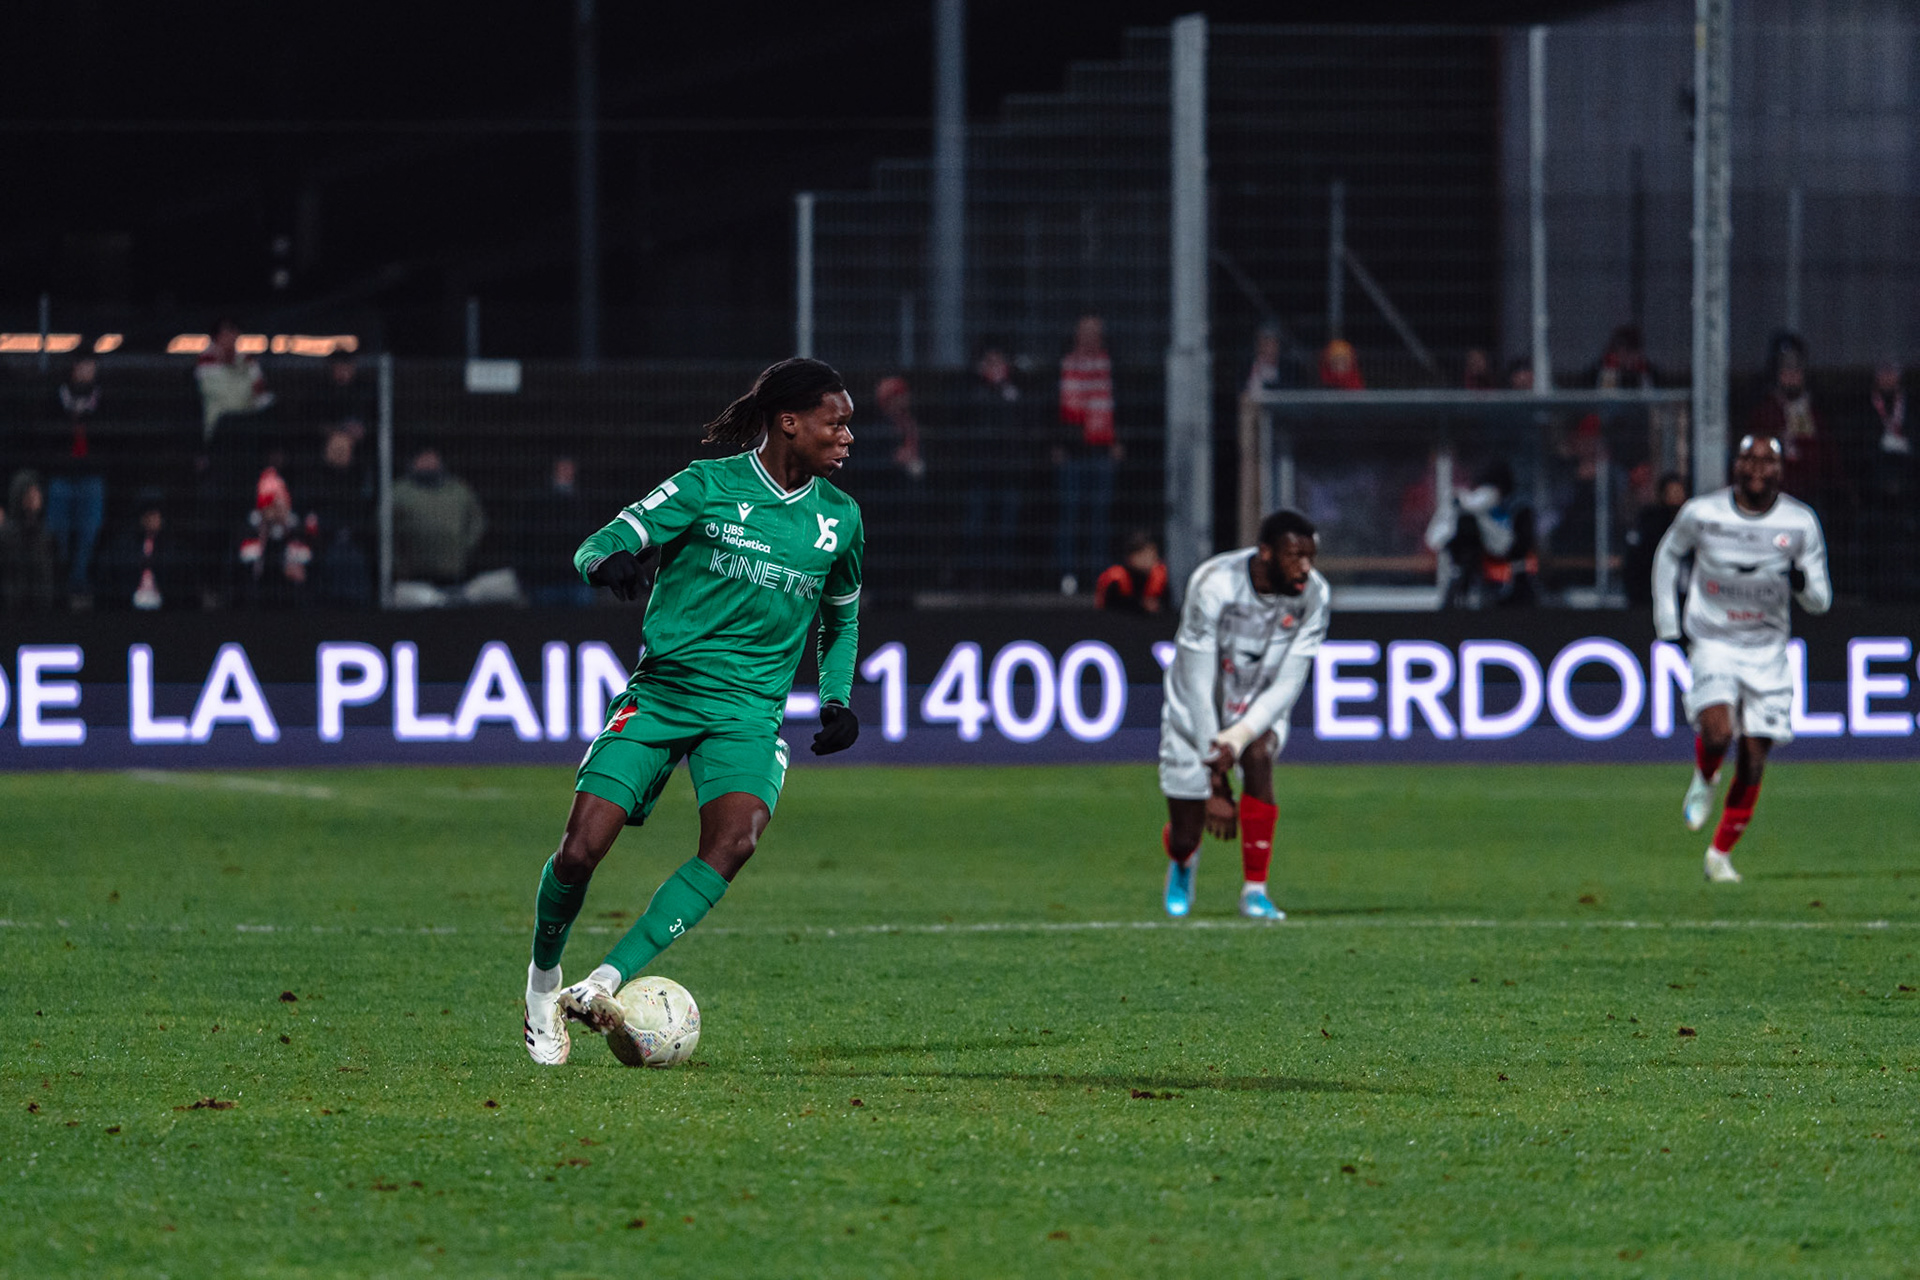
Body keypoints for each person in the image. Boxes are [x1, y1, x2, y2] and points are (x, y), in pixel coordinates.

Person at [524, 357, 865, 1066]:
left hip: (747, 713)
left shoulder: (840, 519)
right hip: (664, 695)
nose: (846, 437)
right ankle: (542, 984)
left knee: (735, 839)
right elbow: (603, 540)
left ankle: (601, 984)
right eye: (835, 423)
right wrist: (608, 562)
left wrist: (836, 697)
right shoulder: (707, 486)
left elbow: (840, 617)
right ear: (788, 422)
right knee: (581, 849)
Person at [1653, 435, 1831, 883]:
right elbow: (1668, 554)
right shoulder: (1702, 514)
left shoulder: (1800, 523)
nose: (1756, 468)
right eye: (1749, 459)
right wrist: (1667, 622)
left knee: (1753, 757)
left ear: (1779, 471)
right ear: (1735, 466)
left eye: (1766, 461)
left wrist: (1799, 581)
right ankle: (1705, 777)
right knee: (1718, 732)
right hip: (1713, 640)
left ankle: (1719, 855)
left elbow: (1821, 600)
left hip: (1767, 650)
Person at [1158, 509, 1329, 921]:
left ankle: (1255, 891)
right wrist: (1216, 782)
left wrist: (1238, 737)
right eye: (1294, 557)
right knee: (1186, 831)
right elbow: (1198, 685)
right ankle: (1183, 860)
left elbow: (1289, 683)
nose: (1304, 567)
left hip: (1256, 704)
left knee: (1258, 754)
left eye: (1310, 556)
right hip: (1194, 710)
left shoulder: (1314, 596)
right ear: (1266, 553)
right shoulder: (1214, 584)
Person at [1054, 314, 1120, 594]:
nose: (1090, 337)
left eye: (1095, 332)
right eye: (1085, 331)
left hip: (1102, 450)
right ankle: (1067, 576)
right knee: (1069, 514)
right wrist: (1056, 443)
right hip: (1072, 452)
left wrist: (1119, 439)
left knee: (1100, 516)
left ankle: (1098, 576)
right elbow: (1053, 407)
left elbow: (1120, 403)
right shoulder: (1065, 365)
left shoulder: (1110, 365)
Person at [390, 446, 488, 601]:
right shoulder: (399, 492)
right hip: (413, 573)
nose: (428, 464)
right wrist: (398, 562)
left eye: (431, 459)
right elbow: (385, 529)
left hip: (454, 569)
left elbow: (477, 521)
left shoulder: (459, 489)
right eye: (423, 459)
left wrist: (464, 546)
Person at [47, 357, 107, 608]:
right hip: (61, 476)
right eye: (84, 366)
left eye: (92, 368)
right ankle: (57, 582)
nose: (89, 372)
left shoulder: (101, 399)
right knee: (57, 532)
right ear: (73, 368)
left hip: (90, 476)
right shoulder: (56, 397)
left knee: (88, 531)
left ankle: (79, 581)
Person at [235, 466, 315, 609]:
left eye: (280, 505)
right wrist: (265, 532)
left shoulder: (297, 529)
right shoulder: (250, 530)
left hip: (293, 604)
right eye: (271, 505)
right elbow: (247, 572)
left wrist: (286, 532)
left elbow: (305, 571)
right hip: (256, 603)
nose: (275, 510)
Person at [1623, 471, 1688, 607]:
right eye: (1672, 492)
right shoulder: (1650, 521)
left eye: (1679, 491)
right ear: (1663, 495)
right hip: (1651, 591)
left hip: (1683, 592)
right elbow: (1637, 561)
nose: (1676, 496)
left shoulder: (1691, 520)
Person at [1, 469, 59, 612]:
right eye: (28, 493)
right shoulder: (6, 533)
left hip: (41, 607)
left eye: (36, 492)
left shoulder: (47, 533)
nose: (34, 497)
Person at [1095, 530, 1168, 614]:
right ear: (1130, 557)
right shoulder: (1116, 578)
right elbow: (1107, 607)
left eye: (1152, 554)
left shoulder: (1162, 576)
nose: (1148, 559)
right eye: (1142, 555)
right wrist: (1140, 605)